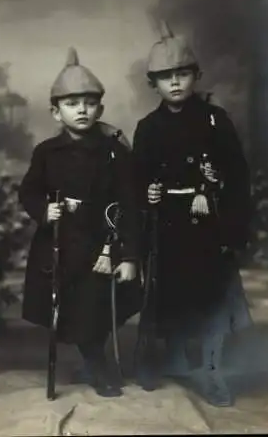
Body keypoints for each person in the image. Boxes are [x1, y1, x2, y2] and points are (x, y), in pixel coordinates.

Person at [133, 22, 252, 407]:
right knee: (172, 298)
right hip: (167, 227)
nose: (176, 83)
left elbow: (238, 175)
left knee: (214, 300)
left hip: (210, 225)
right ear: (154, 83)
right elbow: (138, 176)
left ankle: (213, 371)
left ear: (196, 76)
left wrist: (220, 200)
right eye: (166, 77)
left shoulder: (216, 121)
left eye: (182, 74)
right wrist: (146, 193)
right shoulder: (147, 128)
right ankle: (178, 360)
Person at [19, 47, 141, 398]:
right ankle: (91, 359)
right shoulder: (46, 152)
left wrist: (129, 255)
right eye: (72, 104)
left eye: (89, 103)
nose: (82, 110)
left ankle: (96, 362)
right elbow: (28, 191)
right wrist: (45, 210)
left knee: (97, 307)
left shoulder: (115, 151)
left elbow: (129, 204)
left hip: (102, 243)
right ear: (56, 113)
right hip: (60, 245)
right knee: (68, 310)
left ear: (100, 109)